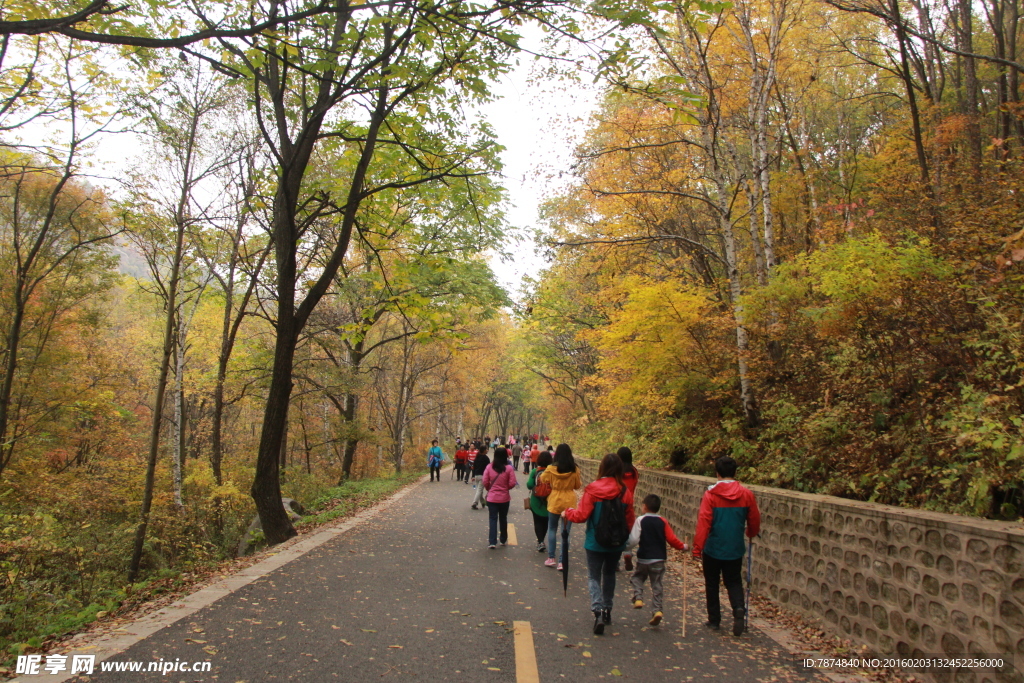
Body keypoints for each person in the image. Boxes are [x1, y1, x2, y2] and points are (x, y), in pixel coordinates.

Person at [564, 453, 635, 635]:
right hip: (616, 542)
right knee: (609, 573)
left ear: (602, 468)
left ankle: (597, 609)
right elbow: (630, 521)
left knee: (593, 576)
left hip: (595, 540)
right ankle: (608, 609)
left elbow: (581, 516)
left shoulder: (593, 489)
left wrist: (567, 513)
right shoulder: (624, 491)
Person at [693, 455, 761, 636]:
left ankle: (714, 620)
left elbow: (704, 522)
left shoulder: (711, 495)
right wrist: (751, 532)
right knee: (733, 581)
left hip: (713, 547)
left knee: (712, 583)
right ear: (735, 472)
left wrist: (697, 547)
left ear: (717, 473)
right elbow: (754, 519)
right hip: (735, 547)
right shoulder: (747, 495)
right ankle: (738, 608)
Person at [626, 494, 688, 626]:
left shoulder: (641, 520)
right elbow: (671, 539)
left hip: (643, 558)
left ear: (644, 506)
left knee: (637, 578)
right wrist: (683, 546)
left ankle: (638, 597)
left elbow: (634, 539)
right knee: (657, 585)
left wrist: (625, 548)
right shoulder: (662, 521)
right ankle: (657, 610)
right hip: (658, 559)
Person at [539, 444, 582, 569]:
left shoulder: (551, 468)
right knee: (566, 532)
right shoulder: (575, 469)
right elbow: (577, 486)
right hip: (569, 501)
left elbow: (543, 479)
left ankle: (551, 557)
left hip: (555, 499)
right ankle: (562, 561)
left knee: (552, 528)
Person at [482, 447, 518, 548]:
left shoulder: (489, 467)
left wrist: (489, 488)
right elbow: (512, 483)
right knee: (503, 518)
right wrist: (506, 488)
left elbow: (485, 481)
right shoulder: (509, 468)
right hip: (504, 498)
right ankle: (503, 539)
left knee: (493, 518)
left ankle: (492, 541)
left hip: (492, 497)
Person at [617, 446, 640, 571]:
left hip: (616, 503)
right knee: (628, 530)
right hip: (629, 503)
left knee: (615, 529)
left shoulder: (617, 471)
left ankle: (615, 562)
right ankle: (628, 553)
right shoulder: (634, 471)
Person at [526, 450, 553, 553]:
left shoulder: (535, 471)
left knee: (537, 521)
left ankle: (540, 541)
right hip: (549, 500)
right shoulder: (552, 472)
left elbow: (529, 485)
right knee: (546, 521)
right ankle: (542, 539)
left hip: (536, 500)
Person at [470, 444, 490, 509]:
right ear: (484, 451)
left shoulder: (477, 457)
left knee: (479, 490)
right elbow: (488, 468)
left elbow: (474, 467)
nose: (487, 450)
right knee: (479, 490)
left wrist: (473, 476)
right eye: (486, 449)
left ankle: (483, 502)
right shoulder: (486, 458)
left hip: (476, 475)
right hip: (482, 476)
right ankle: (474, 503)